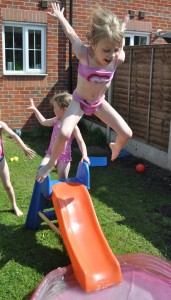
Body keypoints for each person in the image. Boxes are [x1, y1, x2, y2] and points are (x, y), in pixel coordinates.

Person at [36, 2, 132, 183]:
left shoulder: (117, 58)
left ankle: (115, 147)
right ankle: (50, 164)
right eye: (107, 50)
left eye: (115, 50)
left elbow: (121, 42)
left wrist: (123, 28)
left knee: (127, 134)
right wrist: (61, 17)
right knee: (64, 133)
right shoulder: (84, 54)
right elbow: (71, 35)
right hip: (79, 101)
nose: (112, 54)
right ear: (94, 44)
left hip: (98, 104)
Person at [27, 92, 90, 180]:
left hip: (64, 157)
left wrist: (84, 155)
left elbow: (80, 141)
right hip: (51, 154)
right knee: (41, 170)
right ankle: (44, 193)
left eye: (55, 107)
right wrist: (35, 110)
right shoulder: (56, 120)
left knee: (62, 180)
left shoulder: (73, 125)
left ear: (64, 109)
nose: (53, 110)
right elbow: (44, 121)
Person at [0, 121, 36, 217]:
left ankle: (14, 206)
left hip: (1, 160)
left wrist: (24, 147)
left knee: (7, 185)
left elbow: (14, 135)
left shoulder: (1, 124)